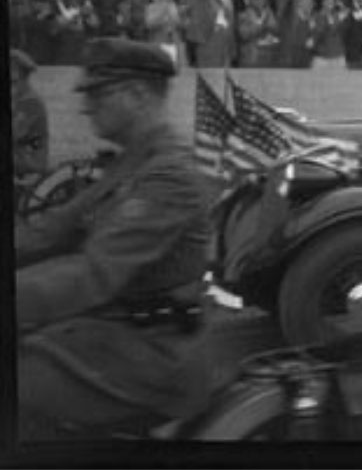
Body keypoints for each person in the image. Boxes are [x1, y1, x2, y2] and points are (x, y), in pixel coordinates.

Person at [16, 38, 219, 440]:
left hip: (153, 356)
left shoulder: (169, 175)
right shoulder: (129, 161)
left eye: (99, 93)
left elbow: (94, 273)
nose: (86, 105)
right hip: (110, 333)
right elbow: (53, 228)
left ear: (138, 95)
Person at [12, 49, 49, 178]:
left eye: (13, 82)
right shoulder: (19, 99)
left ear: (24, 78)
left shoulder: (30, 102)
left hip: (30, 162)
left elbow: (15, 134)